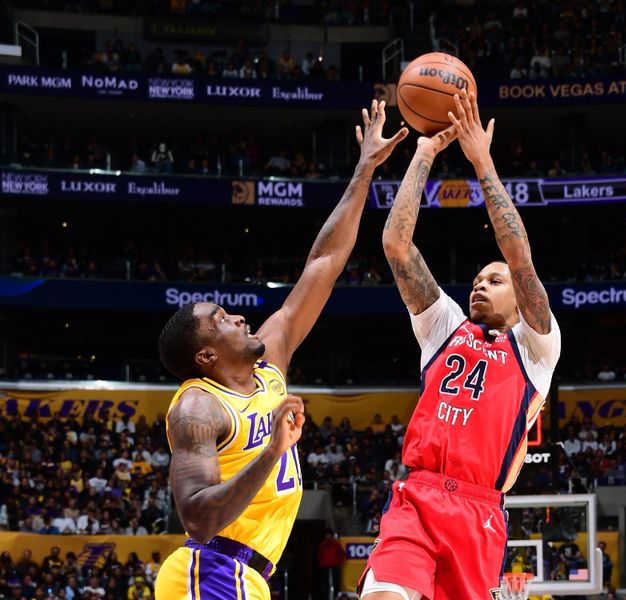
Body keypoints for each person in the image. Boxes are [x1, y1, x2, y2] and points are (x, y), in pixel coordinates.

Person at [154, 100, 407, 599]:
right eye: (222, 321)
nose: (240, 317)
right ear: (205, 357)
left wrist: (364, 170)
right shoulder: (198, 406)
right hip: (210, 572)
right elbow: (199, 518)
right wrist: (272, 450)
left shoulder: (269, 366)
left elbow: (326, 261)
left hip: (246, 577)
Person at [360, 89, 561, 599]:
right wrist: (424, 155)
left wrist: (481, 161)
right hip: (418, 498)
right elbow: (396, 245)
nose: (479, 284)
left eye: (494, 280)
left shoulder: (537, 348)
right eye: (476, 278)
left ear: (521, 297)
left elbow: (518, 254)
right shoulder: (444, 328)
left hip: (479, 512)